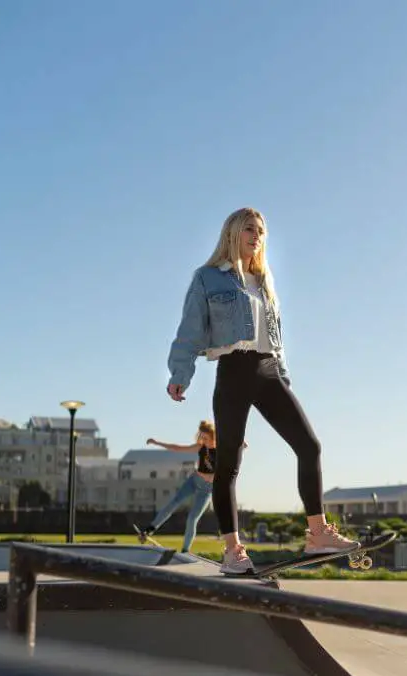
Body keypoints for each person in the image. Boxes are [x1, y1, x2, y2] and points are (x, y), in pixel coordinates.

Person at [165, 207, 359, 575]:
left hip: (268, 372)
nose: (257, 236)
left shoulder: (264, 280)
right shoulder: (208, 278)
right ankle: (233, 550)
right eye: (250, 229)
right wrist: (180, 374)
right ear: (233, 233)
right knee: (228, 465)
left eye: (261, 231)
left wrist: (283, 378)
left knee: (309, 445)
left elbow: (277, 341)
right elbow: (190, 332)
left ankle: (317, 534)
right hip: (233, 371)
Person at [134, 420, 241, 553]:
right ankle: (150, 529)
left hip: (207, 489)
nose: (203, 440)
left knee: (192, 518)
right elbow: (178, 448)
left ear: (213, 436)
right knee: (173, 503)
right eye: (201, 437)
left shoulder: (222, 449)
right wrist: (157, 442)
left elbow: (237, 447)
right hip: (193, 481)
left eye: (206, 438)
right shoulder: (200, 447)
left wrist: (240, 444)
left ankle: (185, 550)